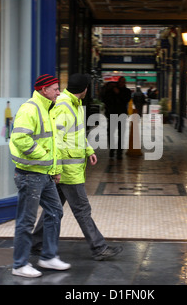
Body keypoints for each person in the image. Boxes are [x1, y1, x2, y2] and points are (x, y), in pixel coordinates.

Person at [32, 73, 123, 261]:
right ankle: (99, 248)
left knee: (52, 208)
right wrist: (56, 169)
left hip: (66, 168)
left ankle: (36, 242)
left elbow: (77, 135)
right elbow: (55, 140)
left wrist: (89, 150)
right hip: (67, 170)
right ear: (84, 89)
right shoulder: (64, 107)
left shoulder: (73, 104)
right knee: (82, 209)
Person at [9, 74, 70, 278]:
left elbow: (52, 143)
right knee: (26, 221)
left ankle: (48, 256)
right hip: (30, 174)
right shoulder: (30, 109)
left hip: (44, 174)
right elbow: (19, 138)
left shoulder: (47, 109)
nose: (58, 92)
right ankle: (19, 264)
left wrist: (56, 169)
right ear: (44, 90)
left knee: (55, 211)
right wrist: (42, 156)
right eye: (55, 88)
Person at [103, 77, 132, 159]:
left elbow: (126, 99)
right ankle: (112, 150)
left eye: (123, 82)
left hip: (122, 115)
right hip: (112, 114)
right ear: (118, 82)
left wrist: (118, 93)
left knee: (121, 134)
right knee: (111, 133)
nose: (122, 83)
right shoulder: (111, 90)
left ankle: (119, 152)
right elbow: (105, 99)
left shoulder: (127, 91)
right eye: (120, 82)